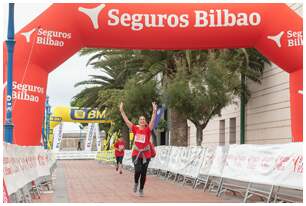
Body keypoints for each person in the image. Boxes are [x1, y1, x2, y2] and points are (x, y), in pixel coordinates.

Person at [119, 102, 157, 197]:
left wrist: (154, 111)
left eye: (144, 119)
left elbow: (152, 121)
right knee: (138, 170)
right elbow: (127, 121)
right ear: (139, 121)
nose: (142, 120)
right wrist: (122, 110)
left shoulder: (148, 130)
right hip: (136, 154)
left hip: (146, 155)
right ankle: (136, 183)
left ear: (145, 122)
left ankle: (141, 189)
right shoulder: (135, 128)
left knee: (143, 173)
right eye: (141, 119)